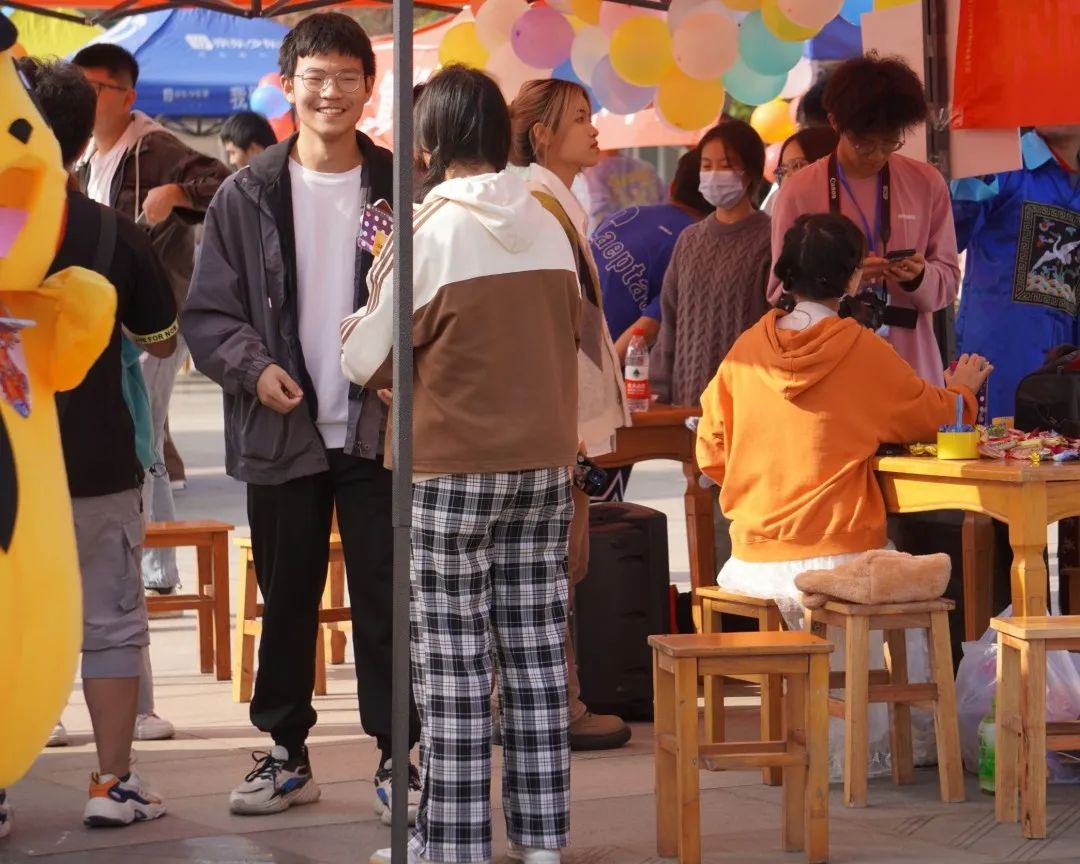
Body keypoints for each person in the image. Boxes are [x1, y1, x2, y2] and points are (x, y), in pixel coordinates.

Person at [181, 12, 421, 821]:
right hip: (282, 429)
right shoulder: (244, 195)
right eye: (315, 77)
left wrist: (405, 372)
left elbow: (435, 303)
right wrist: (257, 369)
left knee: (388, 599)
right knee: (286, 600)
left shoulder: (402, 188)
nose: (331, 92)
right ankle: (286, 754)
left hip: (377, 432)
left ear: (369, 88)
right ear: (288, 85)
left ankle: (397, 756)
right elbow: (208, 314)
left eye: (347, 77)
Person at [343, 65, 581, 864]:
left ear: (429, 142)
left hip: (450, 470)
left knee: (452, 665)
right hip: (544, 464)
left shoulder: (428, 232)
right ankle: (542, 840)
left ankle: (452, 844)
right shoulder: (550, 220)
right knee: (537, 655)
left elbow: (363, 354)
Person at [697, 212, 992, 776]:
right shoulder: (859, 348)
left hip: (751, 563)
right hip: (838, 560)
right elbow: (931, 415)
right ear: (854, 278)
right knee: (902, 577)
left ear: (784, 272)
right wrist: (964, 390)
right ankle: (891, 748)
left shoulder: (745, 350)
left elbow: (710, 452)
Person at [18, 57, 179, 827]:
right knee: (110, 620)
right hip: (95, 461)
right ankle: (113, 783)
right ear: (83, 144)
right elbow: (160, 336)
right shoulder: (112, 232)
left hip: (10, 464)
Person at [73, 42, 229, 613]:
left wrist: (177, 194)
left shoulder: (154, 146)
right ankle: (155, 564)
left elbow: (225, 182)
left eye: (94, 89)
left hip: (151, 318)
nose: (84, 98)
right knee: (143, 434)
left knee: (143, 430)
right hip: (101, 319)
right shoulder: (86, 154)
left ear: (126, 96)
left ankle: (144, 562)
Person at [509, 78, 632, 752]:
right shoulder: (539, 204)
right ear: (541, 135)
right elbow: (557, 324)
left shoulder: (554, 201)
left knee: (560, 564)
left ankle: (553, 702)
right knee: (555, 565)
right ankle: (559, 705)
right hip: (555, 417)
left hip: (560, 413)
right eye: (579, 118)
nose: (594, 128)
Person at [767, 54, 961, 386]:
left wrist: (918, 277)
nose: (878, 156)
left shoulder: (926, 183)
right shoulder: (799, 190)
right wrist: (843, 280)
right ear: (835, 123)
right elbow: (778, 291)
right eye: (865, 144)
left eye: (890, 143)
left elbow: (947, 283)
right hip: (828, 367)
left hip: (910, 364)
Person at [952, 124, 1080, 615]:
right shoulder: (1001, 161)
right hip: (999, 367)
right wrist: (971, 170)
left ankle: (1063, 642)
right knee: (999, 509)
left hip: (1066, 370)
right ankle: (996, 637)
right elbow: (951, 232)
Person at [586, 148, 711, 501]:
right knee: (602, 500)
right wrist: (601, 378)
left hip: (567, 351)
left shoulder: (627, 214)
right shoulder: (694, 241)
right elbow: (646, 328)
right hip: (605, 377)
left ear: (672, 186)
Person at [651, 120, 772, 408]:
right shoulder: (689, 240)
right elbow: (670, 320)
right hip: (686, 402)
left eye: (725, 165)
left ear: (751, 171)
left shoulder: (771, 238)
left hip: (746, 403)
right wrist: (659, 390)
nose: (714, 174)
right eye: (706, 166)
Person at [582, 148, 666, 235]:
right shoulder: (646, 168)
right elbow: (665, 205)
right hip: (655, 234)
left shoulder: (594, 173)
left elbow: (599, 217)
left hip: (618, 238)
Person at [761, 126, 838, 216]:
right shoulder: (779, 210)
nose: (787, 177)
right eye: (783, 171)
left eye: (797, 165)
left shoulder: (848, 208)